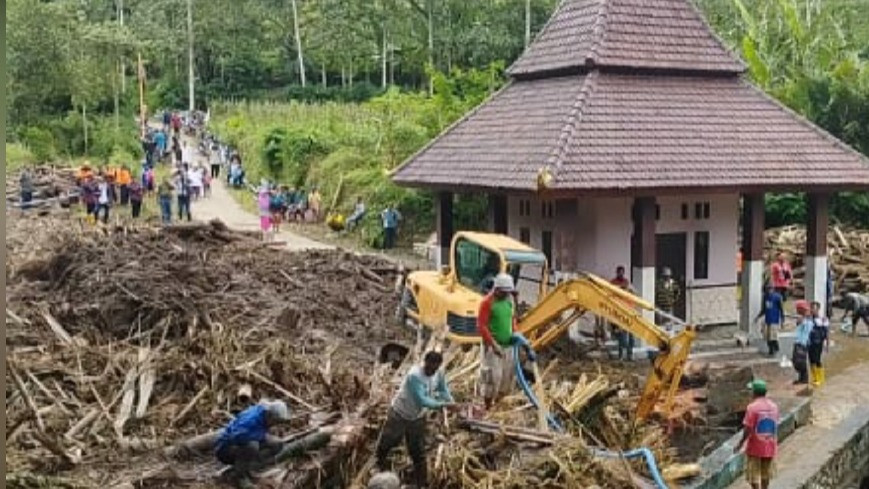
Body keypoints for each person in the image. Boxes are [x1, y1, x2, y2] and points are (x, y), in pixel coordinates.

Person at [375, 351, 455, 489]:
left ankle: (421, 483)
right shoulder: (414, 376)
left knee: (417, 450)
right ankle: (379, 468)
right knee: (388, 442)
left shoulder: (438, 372)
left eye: (434, 369)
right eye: (429, 368)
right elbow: (423, 400)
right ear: (425, 363)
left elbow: (443, 389)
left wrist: (452, 401)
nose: (431, 372)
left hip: (417, 417)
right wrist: (443, 404)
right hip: (400, 414)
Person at [214, 399, 290, 488]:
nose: (276, 424)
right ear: (270, 415)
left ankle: (251, 465)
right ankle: (240, 476)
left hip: (251, 437)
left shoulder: (264, 415)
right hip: (225, 449)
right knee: (252, 446)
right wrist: (256, 439)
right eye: (276, 421)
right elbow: (235, 437)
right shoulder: (251, 420)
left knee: (277, 444)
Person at [478, 273, 517, 409]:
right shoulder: (487, 302)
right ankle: (488, 405)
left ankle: (500, 405)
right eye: (505, 292)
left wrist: (515, 333)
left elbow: (512, 318)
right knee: (492, 378)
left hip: (508, 346)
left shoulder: (509, 300)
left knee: (507, 378)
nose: (507, 294)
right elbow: (482, 326)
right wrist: (493, 345)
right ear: (497, 290)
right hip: (492, 347)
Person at [734, 379, 779, 489]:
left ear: (754, 392)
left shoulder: (752, 408)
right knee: (766, 473)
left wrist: (740, 443)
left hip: (755, 447)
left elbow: (748, 428)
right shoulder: (774, 406)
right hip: (770, 445)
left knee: (752, 474)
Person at [611, 266, 635, 360]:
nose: (621, 274)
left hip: (629, 311)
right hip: (619, 311)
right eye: (619, 272)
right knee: (622, 336)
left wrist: (628, 288)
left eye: (622, 272)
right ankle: (621, 355)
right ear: (617, 272)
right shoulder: (613, 283)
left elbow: (633, 292)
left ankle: (630, 355)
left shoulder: (627, 282)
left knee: (631, 335)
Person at [755, 285, 784, 357]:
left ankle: (774, 349)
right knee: (767, 336)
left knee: (773, 336)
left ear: (773, 289)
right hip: (767, 319)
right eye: (767, 290)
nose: (769, 291)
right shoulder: (765, 297)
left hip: (774, 319)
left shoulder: (777, 297)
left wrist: (782, 320)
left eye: (770, 289)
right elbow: (764, 309)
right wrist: (758, 317)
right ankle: (771, 348)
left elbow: (781, 309)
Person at [807, 301, 830, 386]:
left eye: (814, 308)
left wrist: (827, 344)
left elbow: (827, 332)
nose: (813, 310)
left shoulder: (823, 319)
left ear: (818, 309)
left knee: (817, 360)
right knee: (811, 360)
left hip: (818, 343)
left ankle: (821, 378)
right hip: (810, 343)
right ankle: (815, 378)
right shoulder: (808, 319)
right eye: (811, 308)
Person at [792, 300, 812, 385]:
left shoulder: (807, 320)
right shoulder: (802, 319)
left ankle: (804, 379)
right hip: (799, 342)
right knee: (797, 360)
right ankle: (802, 378)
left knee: (800, 361)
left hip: (802, 343)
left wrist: (802, 319)